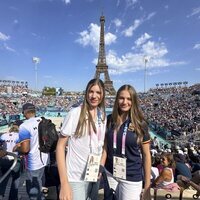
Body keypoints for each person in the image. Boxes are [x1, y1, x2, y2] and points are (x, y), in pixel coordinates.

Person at [56, 78, 106, 200]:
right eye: (91, 91)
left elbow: (103, 146)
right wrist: (64, 183)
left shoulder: (102, 115)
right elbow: (60, 146)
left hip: (94, 176)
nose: (94, 96)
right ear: (86, 93)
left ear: (103, 94)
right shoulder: (74, 113)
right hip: (75, 177)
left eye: (98, 92)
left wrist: (101, 165)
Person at [104, 84, 151, 200]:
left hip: (131, 176)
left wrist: (147, 186)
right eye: (121, 98)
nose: (125, 102)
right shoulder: (110, 120)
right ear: (116, 100)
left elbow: (146, 155)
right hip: (110, 172)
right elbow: (105, 147)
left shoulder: (140, 124)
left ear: (134, 101)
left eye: (129, 99)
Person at [13, 103, 49, 200]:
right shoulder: (43, 120)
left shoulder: (25, 126)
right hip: (44, 159)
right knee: (40, 186)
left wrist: (17, 148)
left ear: (25, 112)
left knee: (33, 191)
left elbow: (25, 149)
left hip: (33, 162)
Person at [0, 120, 23, 200]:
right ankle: (13, 197)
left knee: (4, 178)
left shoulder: (3, 135)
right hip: (15, 159)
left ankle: (1, 194)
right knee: (15, 180)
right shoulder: (19, 136)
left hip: (4, 159)